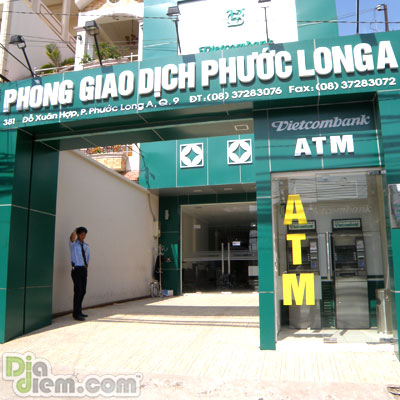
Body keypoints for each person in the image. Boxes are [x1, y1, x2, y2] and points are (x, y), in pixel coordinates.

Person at [69, 227, 90, 321]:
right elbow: (72, 237)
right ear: (78, 234)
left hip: (83, 270)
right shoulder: (73, 244)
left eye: (85, 234)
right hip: (76, 269)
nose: (83, 236)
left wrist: (86, 269)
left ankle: (79, 310)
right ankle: (76, 313)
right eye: (81, 234)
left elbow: (87, 258)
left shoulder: (86, 246)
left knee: (83, 291)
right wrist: (75, 230)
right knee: (78, 291)